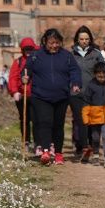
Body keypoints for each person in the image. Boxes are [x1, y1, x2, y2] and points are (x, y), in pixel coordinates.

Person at [25, 28, 82, 165]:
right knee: (45, 122)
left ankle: (58, 153)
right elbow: (26, 71)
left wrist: (75, 83)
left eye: (57, 43)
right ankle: (45, 151)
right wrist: (24, 77)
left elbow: (75, 71)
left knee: (58, 125)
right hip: (40, 96)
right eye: (51, 43)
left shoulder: (67, 56)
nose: (54, 46)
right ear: (45, 42)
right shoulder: (35, 56)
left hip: (61, 96)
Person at [69, 25, 105, 162]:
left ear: (90, 40)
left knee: (93, 122)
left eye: (86, 39)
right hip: (75, 93)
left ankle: (93, 147)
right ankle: (82, 147)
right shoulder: (70, 54)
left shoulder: (96, 54)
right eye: (81, 39)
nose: (84, 41)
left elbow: (102, 71)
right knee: (80, 121)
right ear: (77, 40)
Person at [9, 37, 37, 150]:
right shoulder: (18, 62)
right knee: (24, 119)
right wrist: (14, 91)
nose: (28, 51)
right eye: (26, 49)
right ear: (22, 49)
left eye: (30, 48)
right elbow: (13, 78)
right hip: (22, 95)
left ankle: (37, 142)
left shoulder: (37, 59)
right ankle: (26, 141)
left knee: (36, 120)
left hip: (36, 95)